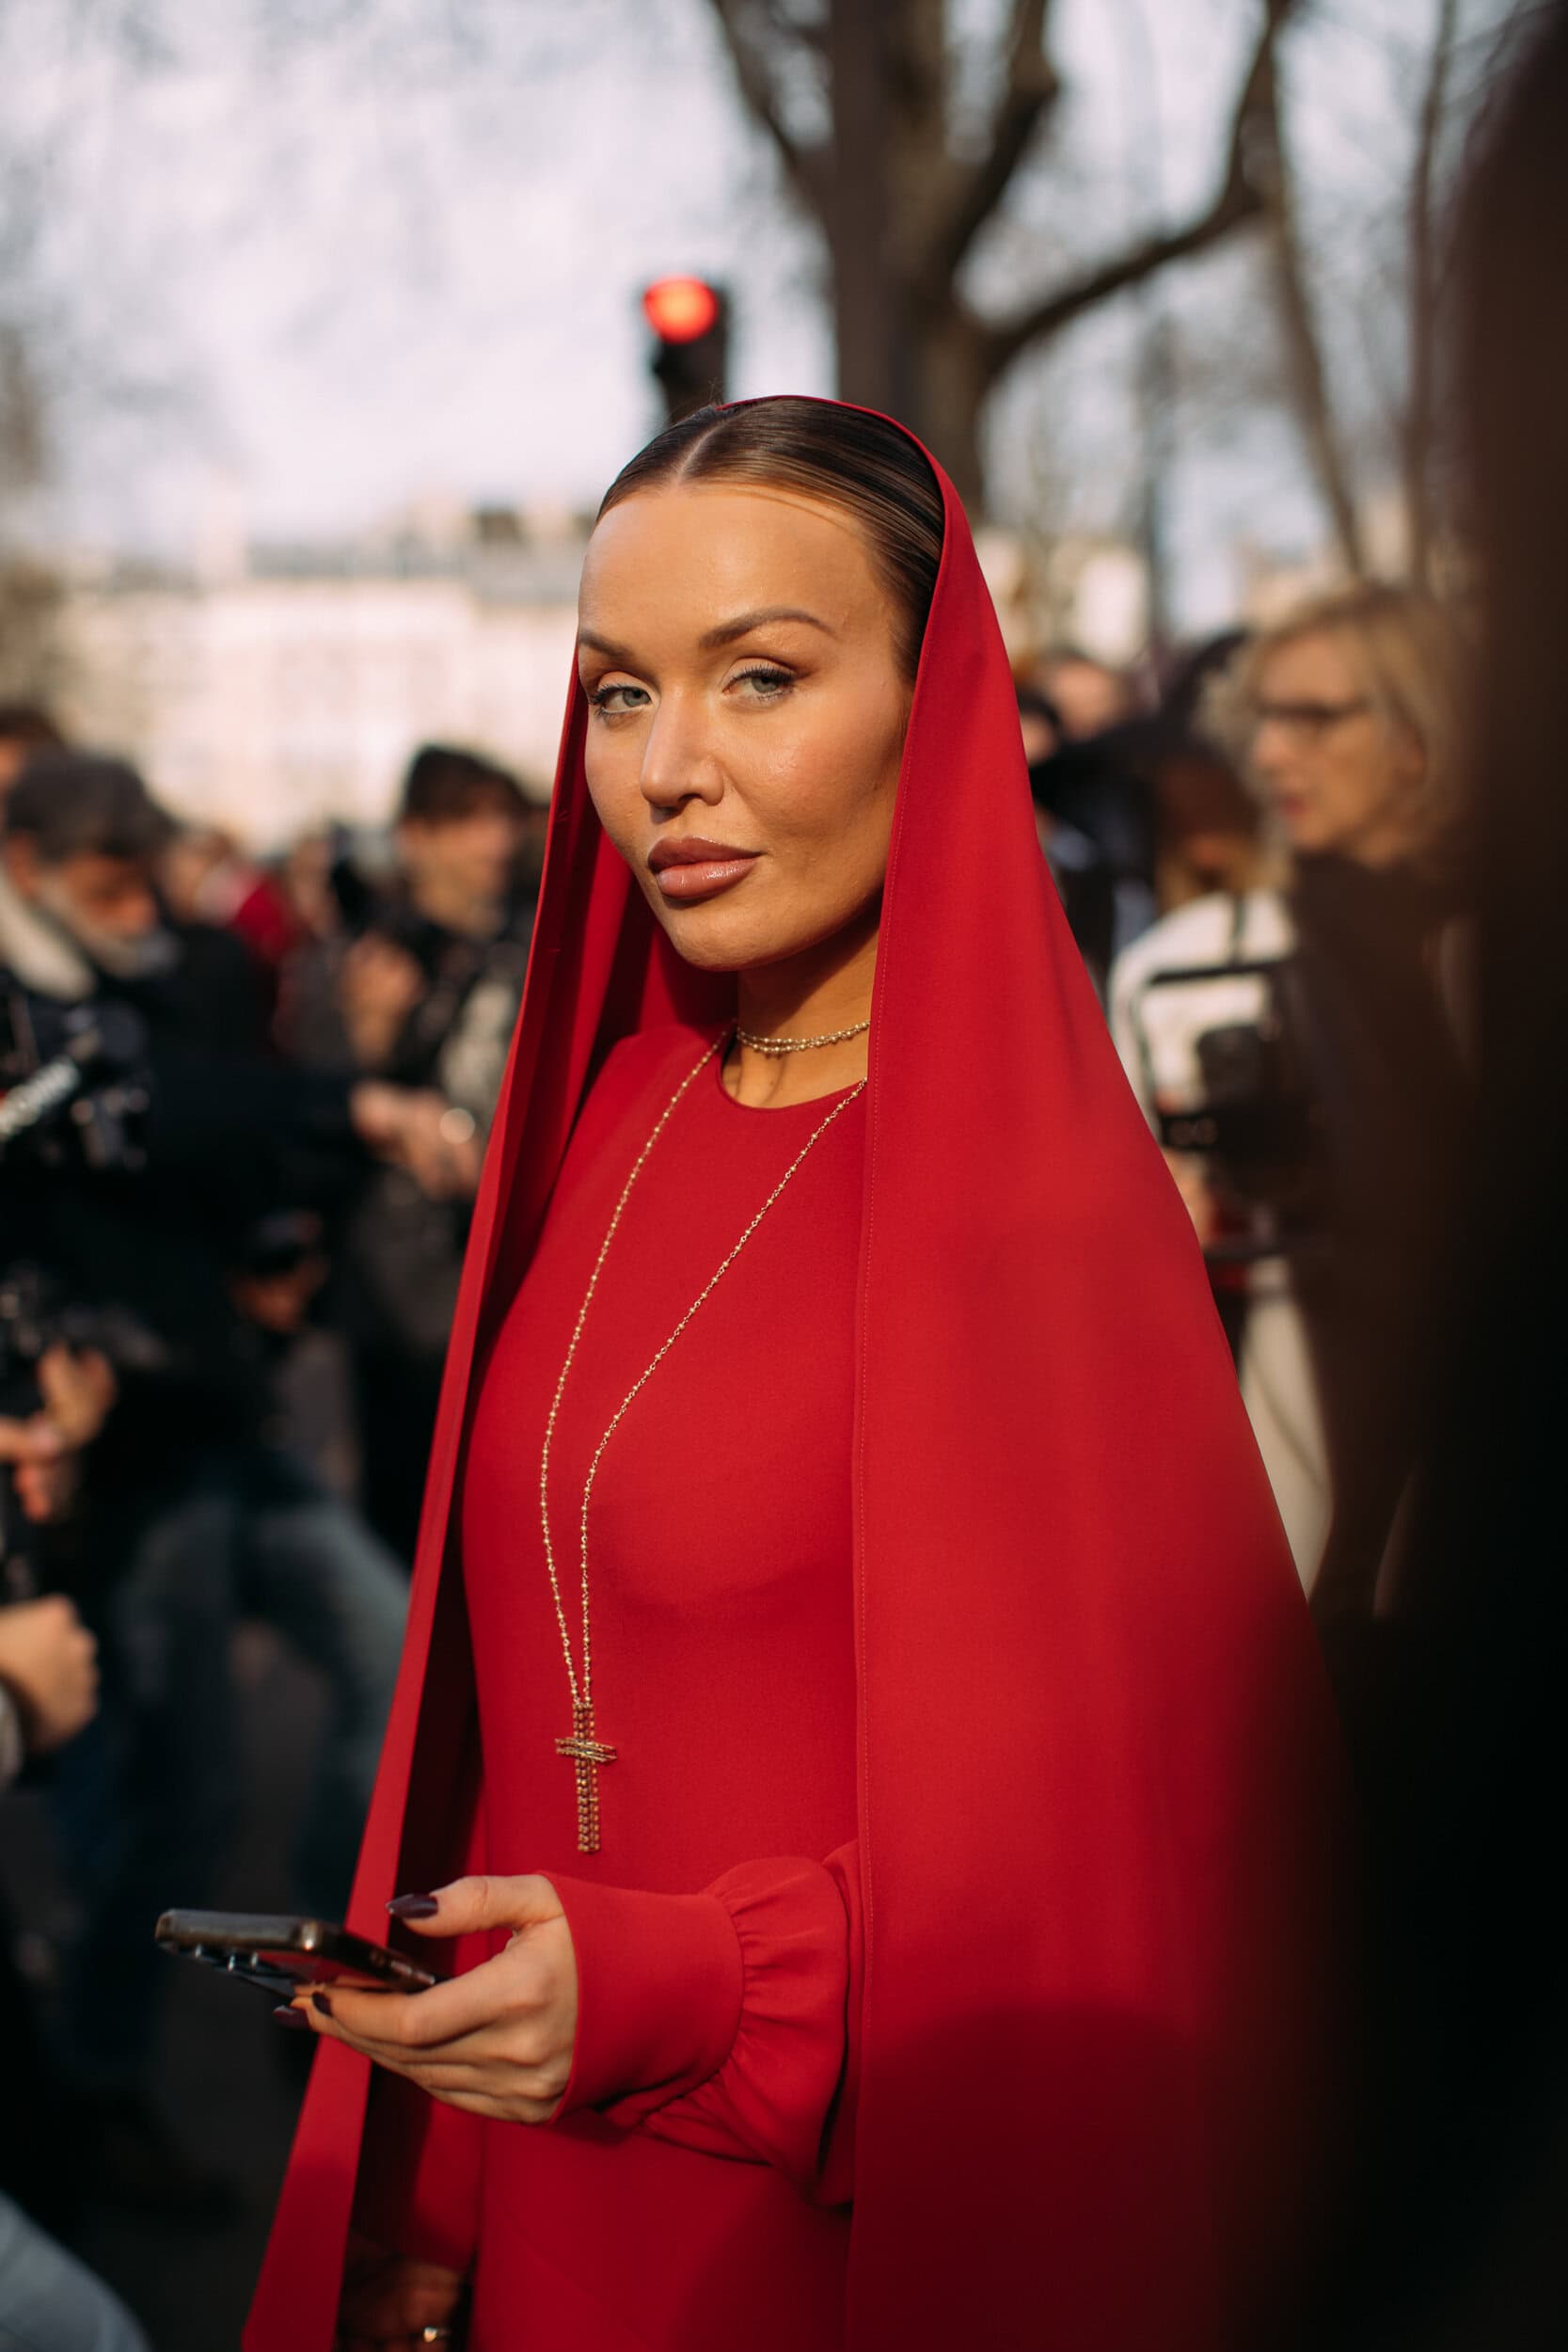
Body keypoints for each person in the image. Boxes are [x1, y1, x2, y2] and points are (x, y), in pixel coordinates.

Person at [248, 399, 1345, 2352]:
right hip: (541, 2191)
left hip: (850, 2234)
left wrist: (685, 1985)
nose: (668, 768)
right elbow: (508, 1714)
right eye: (614, 693)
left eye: (759, 678)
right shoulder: (610, 1119)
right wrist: (425, 2205)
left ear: (934, 710)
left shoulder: (1035, 1218)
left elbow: (1135, 1884)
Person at [0, 752, 479, 2198]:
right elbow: (137, 1122)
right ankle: (94, 2083)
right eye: (107, 883)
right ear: (24, 860)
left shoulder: (142, 973)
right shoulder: (35, 1017)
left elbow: (212, 1118)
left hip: (214, 1414)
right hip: (121, 1456)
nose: (140, 907)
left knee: (389, 1660)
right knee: (179, 1790)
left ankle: (327, 1988)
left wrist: (281, 1216)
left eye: (147, 876)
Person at [280, 747, 534, 1560]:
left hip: (516, 1256)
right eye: (466, 820)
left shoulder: (531, 944)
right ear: (414, 837)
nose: (492, 841)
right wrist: (366, 1040)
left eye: (501, 817)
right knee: (408, 1516)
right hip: (399, 1285)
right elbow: (306, 1117)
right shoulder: (362, 957)